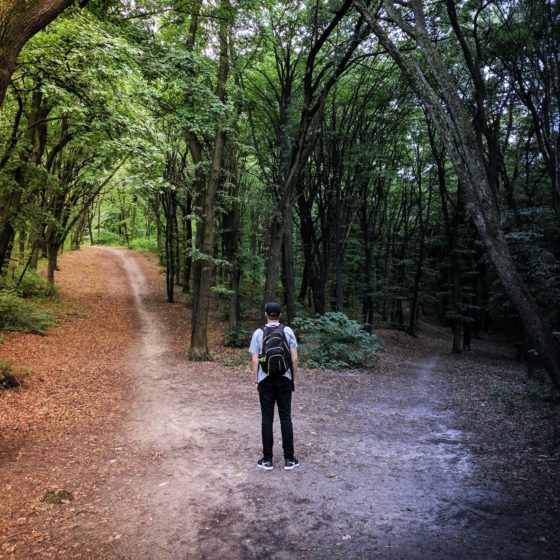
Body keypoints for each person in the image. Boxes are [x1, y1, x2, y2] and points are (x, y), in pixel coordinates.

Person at [249, 301, 299, 471]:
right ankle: (289, 459)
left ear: (266, 314)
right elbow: (294, 359)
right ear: (280, 314)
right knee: (286, 418)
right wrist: (293, 379)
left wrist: (257, 380)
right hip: (285, 379)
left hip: (265, 380)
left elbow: (255, 360)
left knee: (267, 419)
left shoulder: (258, 333)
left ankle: (268, 460)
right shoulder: (288, 331)